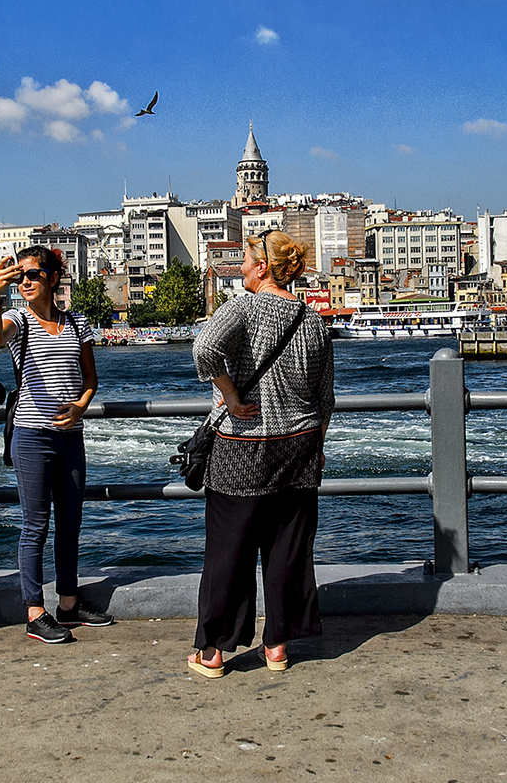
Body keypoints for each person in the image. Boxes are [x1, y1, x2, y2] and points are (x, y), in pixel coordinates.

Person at [187, 230, 334, 679]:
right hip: (299, 447)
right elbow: (324, 398)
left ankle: (214, 651)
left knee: (229, 548)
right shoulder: (311, 320)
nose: (241, 268)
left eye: (247, 260)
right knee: (287, 548)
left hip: (243, 446)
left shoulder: (243, 307)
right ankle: (277, 645)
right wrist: (317, 446)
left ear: (264, 267)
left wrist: (230, 397)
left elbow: (205, 349)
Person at [0, 245, 109, 644]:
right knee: (35, 525)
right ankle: (34, 611)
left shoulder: (76, 323)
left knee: (70, 523)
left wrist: (80, 407)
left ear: (53, 278)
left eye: (33, 274)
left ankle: (68, 605)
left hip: (70, 437)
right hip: (32, 436)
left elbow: (90, 379)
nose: (25, 282)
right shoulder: (16, 319)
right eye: (20, 276)